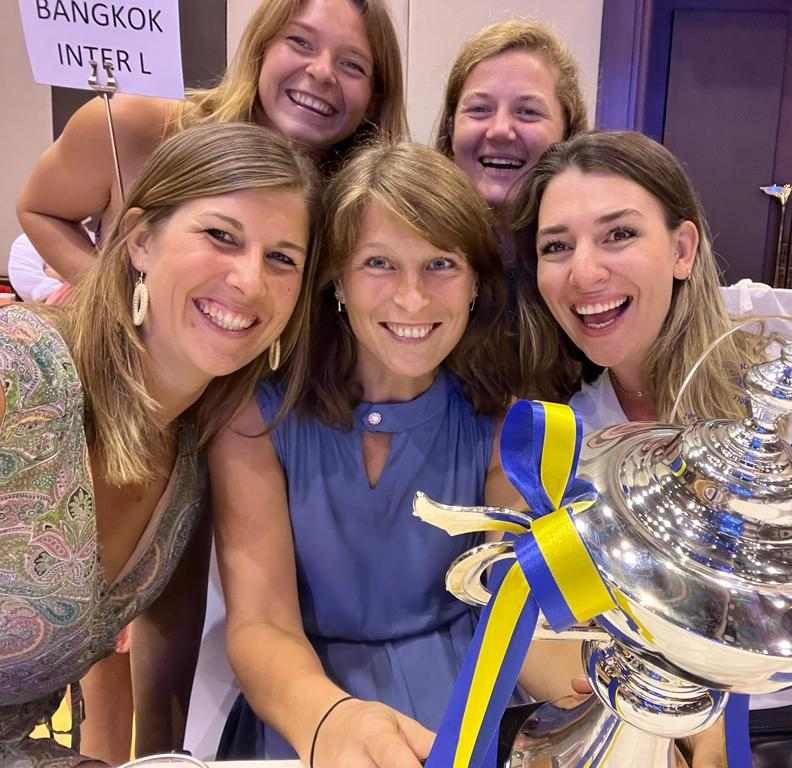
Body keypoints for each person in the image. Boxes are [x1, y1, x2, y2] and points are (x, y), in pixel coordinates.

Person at [510, 130, 792, 767]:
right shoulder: (561, 435)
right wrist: (644, 706)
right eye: (556, 246)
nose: (584, 272)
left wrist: (779, 637)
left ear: (682, 249)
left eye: (619, 234)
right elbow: (528, 626)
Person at [211, 142, 582, 767]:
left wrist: (599, 681)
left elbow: (517, 608)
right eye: (379, 263)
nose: (412, 298)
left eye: (440, 264)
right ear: (337, 280)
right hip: (302, 708)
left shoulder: (508, 427)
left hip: (464, 708)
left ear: (475, 283)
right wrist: (329, 721)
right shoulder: (255, 418)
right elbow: (261, 624)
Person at [0, 121, 323, 766]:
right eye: (221, 236)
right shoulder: (20, 371)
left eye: (282, 258)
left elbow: (180, 646)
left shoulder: (194, 457)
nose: (250, 282)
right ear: (141, 241)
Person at [17, 0, 406, 286]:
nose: (322, 71)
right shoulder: (137, 125)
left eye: (352, 64)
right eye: (301, 42)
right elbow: (39, 210)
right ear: (261, 48)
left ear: (374, 97)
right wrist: (114, 305)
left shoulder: (360, 211)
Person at [435, 20, 587, 257]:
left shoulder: (595, 259)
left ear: (568, 133)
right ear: (451, 127)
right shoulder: (408, 240)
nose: (500, 131)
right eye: (479, 109)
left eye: (527, 111)